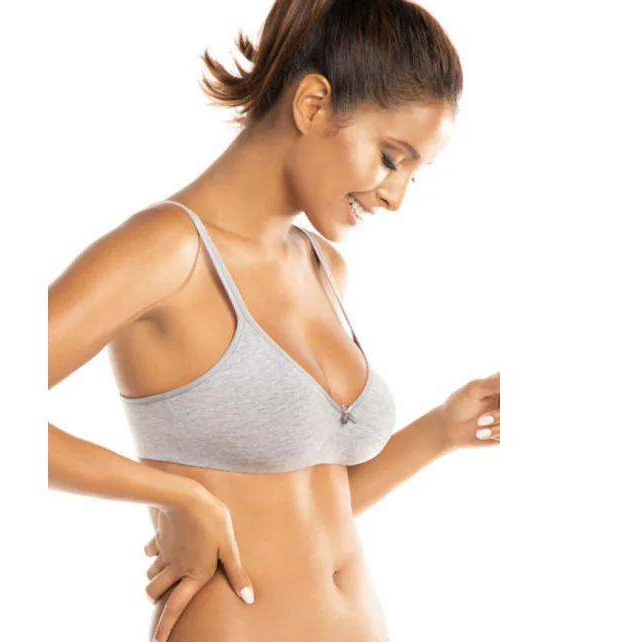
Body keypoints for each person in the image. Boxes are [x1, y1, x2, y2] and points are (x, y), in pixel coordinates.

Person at [48, 0, 501, 640]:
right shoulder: (169, 251)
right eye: (390, 157)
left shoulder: (323, 267)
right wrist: (176, 496)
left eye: (414, 175)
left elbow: (306, 512)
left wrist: (441, 432)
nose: (396, 196)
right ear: (313, 105)